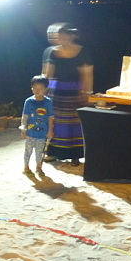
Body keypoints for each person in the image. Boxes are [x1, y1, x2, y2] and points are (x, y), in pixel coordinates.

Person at [41, 23, 93, 165]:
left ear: (72, 36)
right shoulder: (51, 52)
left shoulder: (82, 51)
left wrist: (87, 93)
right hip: (55, 93)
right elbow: (47, 74)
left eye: (63, 36)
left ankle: (75, 156)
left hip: (75, 93)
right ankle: (53, 152)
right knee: (54, 123)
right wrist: (41, 92)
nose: (61, 39)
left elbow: (87, 73)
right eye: (58, 36)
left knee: (74, 124)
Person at [20, 75, 55, 175]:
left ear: (45, 89)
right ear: (31, 88)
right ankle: (26, 167)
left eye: (40, 88)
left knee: (40, 151)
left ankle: (38, 167)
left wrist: (50, 130)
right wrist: (23, 129)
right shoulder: (28, 101)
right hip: (30, 132)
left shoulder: (48, 102)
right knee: (28, 151)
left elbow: (50, 117)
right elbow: (25, 116)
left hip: (42, 132)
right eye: (34, 87)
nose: (37, 90)